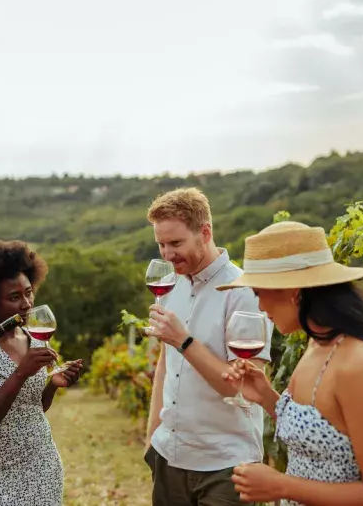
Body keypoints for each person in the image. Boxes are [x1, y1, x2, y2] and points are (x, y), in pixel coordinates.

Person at [218, 221, 363, 505]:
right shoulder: (318, 343)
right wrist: (267, 397)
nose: (259, 307)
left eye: (259, 293)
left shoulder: (359, 366)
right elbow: (325, 434)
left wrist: (282, 485)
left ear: (293, 290)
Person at [143, 187, 274, 506]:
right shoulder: (171, 285)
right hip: (169, 457)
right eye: (161, 244)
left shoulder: (243, 292)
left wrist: (184, 341)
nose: (167, 254)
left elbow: (241, 386)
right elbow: (166, 362)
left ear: (205, 232)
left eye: (176, 243)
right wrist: (152, 437)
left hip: (225, 465)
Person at [0, 240, 84, 506]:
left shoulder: (34, 338)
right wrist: (20, 374)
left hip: (42, 466)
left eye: (28, 293)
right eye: (14, 297)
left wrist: (52, 385)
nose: (26, 304)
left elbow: (31, 408)